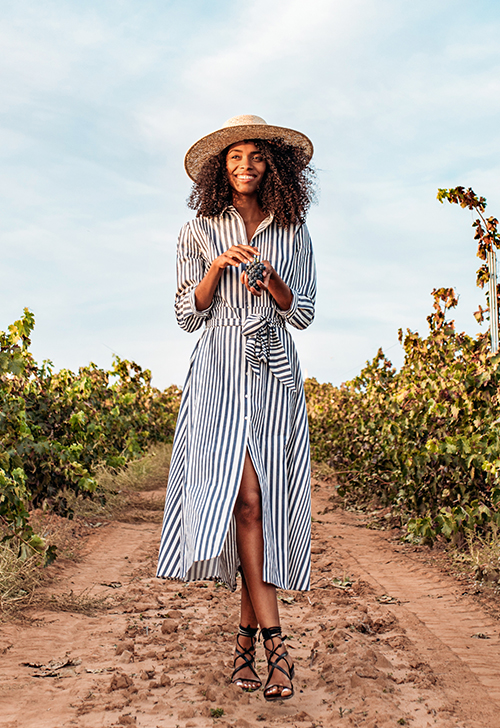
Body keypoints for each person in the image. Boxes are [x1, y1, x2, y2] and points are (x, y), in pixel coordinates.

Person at [157, 114, 316, 701]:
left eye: (255, 157)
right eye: (234, 158)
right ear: (219, 169)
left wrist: (271, 279)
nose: (245, 166)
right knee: (244, 499)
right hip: (218, 371)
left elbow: (302, 312)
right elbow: (184, 313)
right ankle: (277, 650)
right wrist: (215, 269)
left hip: (273, 374)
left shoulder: (292, 228)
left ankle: (245, 650)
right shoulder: (197, 229)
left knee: (262, 507)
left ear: (271, 165)